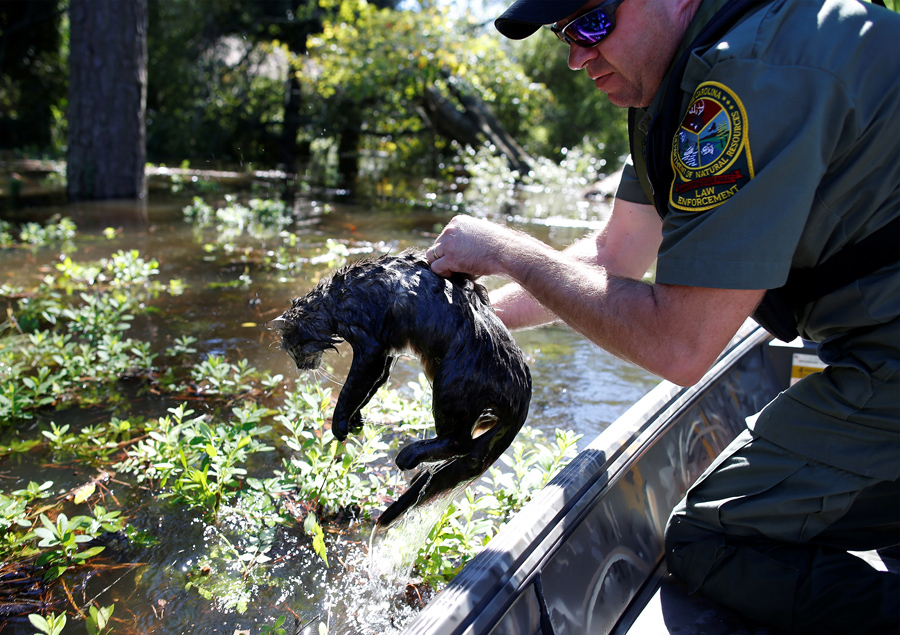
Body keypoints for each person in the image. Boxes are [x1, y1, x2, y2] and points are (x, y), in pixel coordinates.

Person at [424, 0, 900, 632]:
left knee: (710, 541)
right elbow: (612, 253)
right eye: (565, 33)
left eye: (592, 23)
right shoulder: (679, 89)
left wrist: (506, 248)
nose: (576, 55)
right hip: (874, 341)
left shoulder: (746, 79)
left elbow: (680, 345)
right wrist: (457, 323)